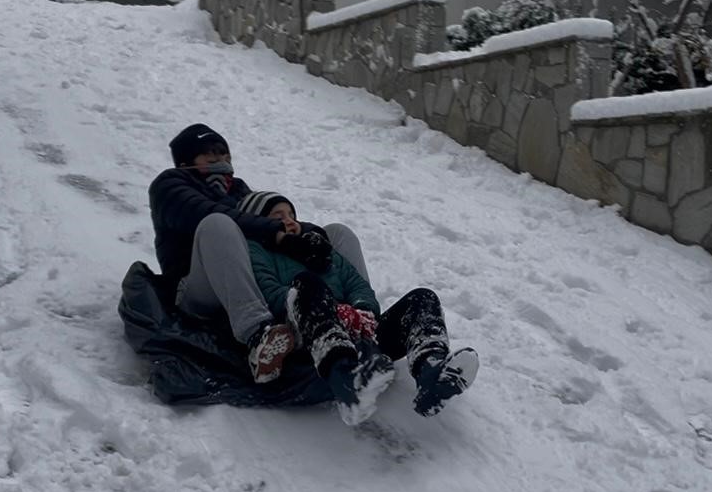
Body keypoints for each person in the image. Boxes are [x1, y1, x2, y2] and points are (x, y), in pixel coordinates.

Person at [147, 123, 371, 384]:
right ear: (187, 160)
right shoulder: (170, 184)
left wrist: (308, 235)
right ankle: (259, 336)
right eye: (211, 154)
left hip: (248, 280)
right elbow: (202, 213)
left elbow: (268, 217)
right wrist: (278, 234)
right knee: (217, 224)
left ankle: (362, 323)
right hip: (199, 288)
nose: (222, 160)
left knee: (337, 233)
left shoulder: (238, 190)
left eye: (225, 154)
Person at [240, 191, 479, 425]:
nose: (290, 220)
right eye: (277, 216)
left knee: (422, 298)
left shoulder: (321, 250)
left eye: (291, 213)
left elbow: (358, 286)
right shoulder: (257, 251)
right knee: (307, 284)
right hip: (308, 336)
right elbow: (270, 293)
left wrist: (361, 311)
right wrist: (331, 310)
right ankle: (345, 380)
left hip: (358, 329)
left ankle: (431, 372)